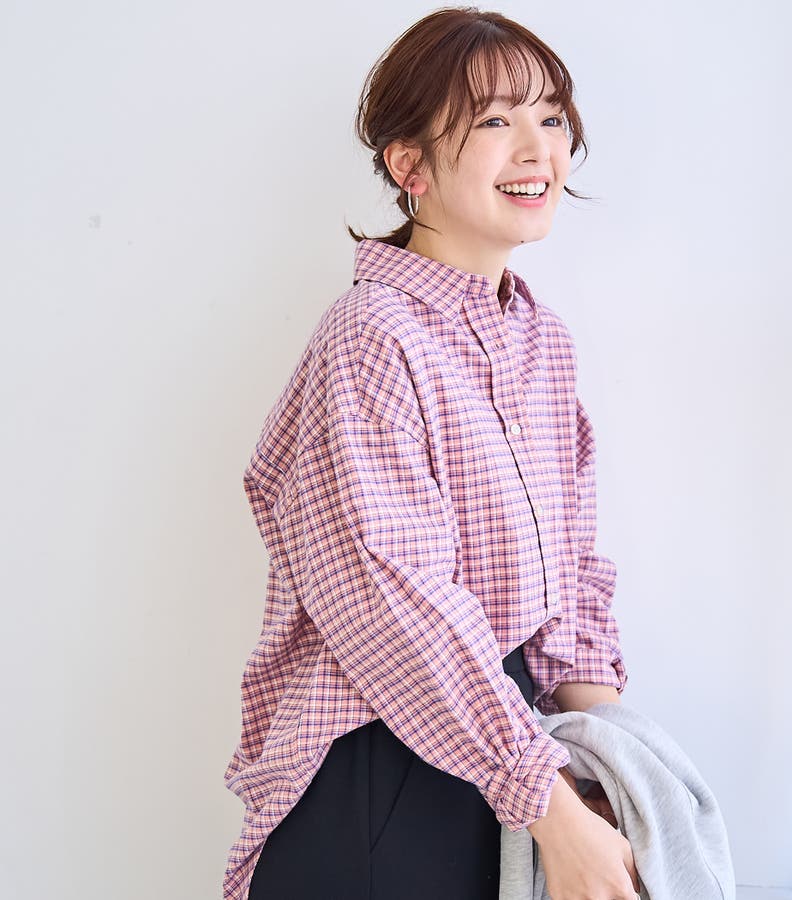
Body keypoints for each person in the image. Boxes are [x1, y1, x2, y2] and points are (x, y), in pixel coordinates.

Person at [223, 7, 640, 900]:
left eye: (552, 117)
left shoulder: (542, 341)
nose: (537, 148)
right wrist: (550, 806)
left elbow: (571, 580)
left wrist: (622, 768)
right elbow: (393, 605)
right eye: (494, 120)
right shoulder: (370, 336)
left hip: (507, 753)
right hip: (381, 763)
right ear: (408, 166)